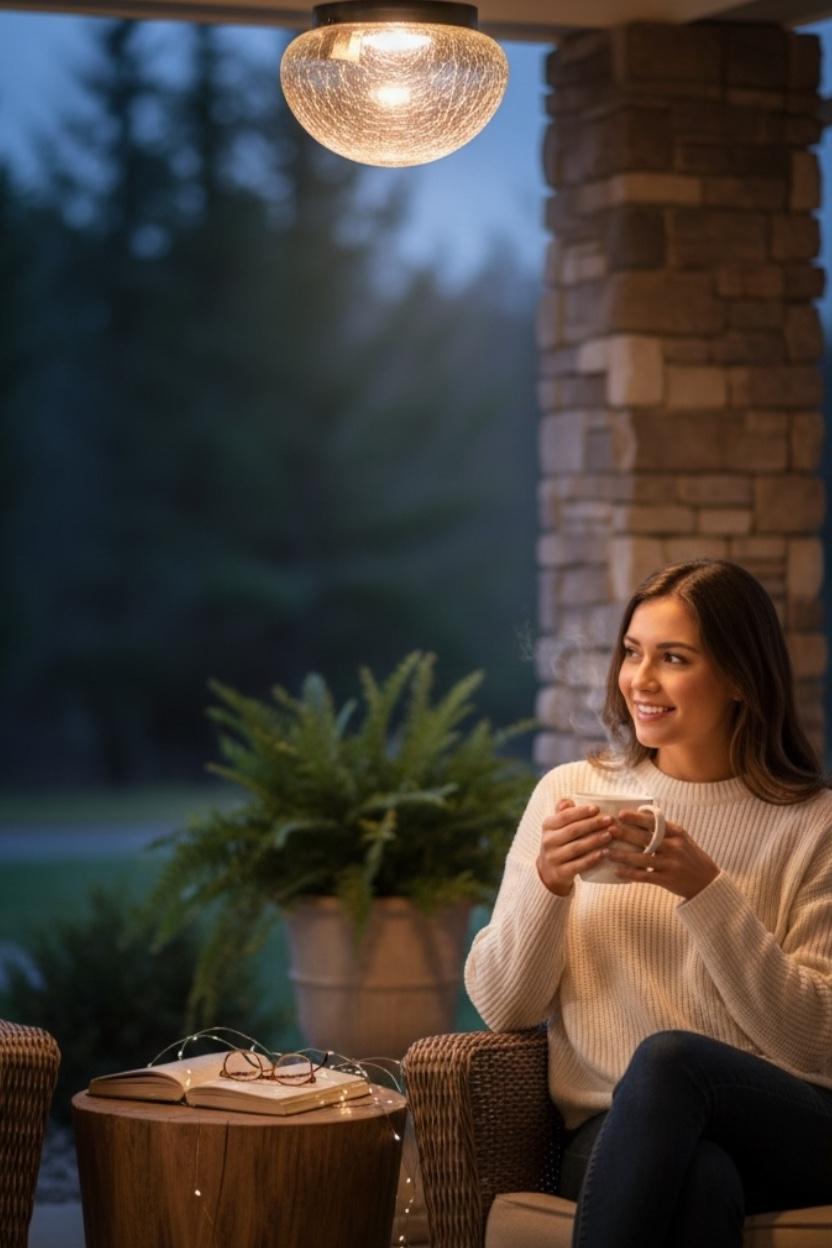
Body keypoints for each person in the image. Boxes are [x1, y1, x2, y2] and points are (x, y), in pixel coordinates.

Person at [464, 558, 832, 1247]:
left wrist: (707, 892)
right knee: (701, 1183)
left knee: (668, 1061)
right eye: (633, 653)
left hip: (789, 1123)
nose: (641, 680)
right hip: (611, 1130)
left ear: (740, 679)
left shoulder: (813, 823)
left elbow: (818, 1042)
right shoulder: (568, 793)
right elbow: (502, 1007)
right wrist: (547, 884)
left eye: (674, 658)